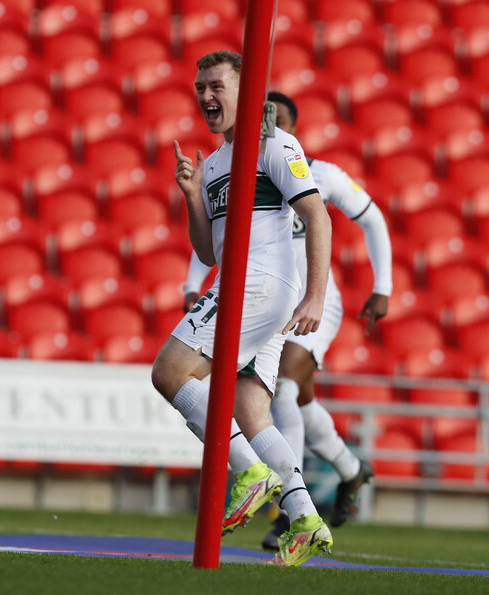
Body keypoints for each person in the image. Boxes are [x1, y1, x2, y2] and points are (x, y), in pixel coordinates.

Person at [183, 91, 393, 550]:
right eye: (265, 119)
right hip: (264, 294)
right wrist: (190, 283)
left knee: (286, 393)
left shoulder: (319, 173)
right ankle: (348, 470)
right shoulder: (241, 169)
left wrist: (383, 287)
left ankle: (284, 514)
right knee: (284, 403)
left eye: (280, 122)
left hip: (313, 299)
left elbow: (372, 219)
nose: (272, 128)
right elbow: (221, 238)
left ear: (295, 126)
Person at [150, 50, 334, 566]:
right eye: (200, 88)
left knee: (169, 372)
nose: (207, 97)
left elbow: (317, 216)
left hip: (258, 284)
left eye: (218, 86)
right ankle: (305, 519)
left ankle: (248, 473)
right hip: (245, 284)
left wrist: (315, 294)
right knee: (252, 412)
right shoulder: (212, 164)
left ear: (244, 90)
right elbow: (209, 252)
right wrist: (191, 195)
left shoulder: (273, 142)